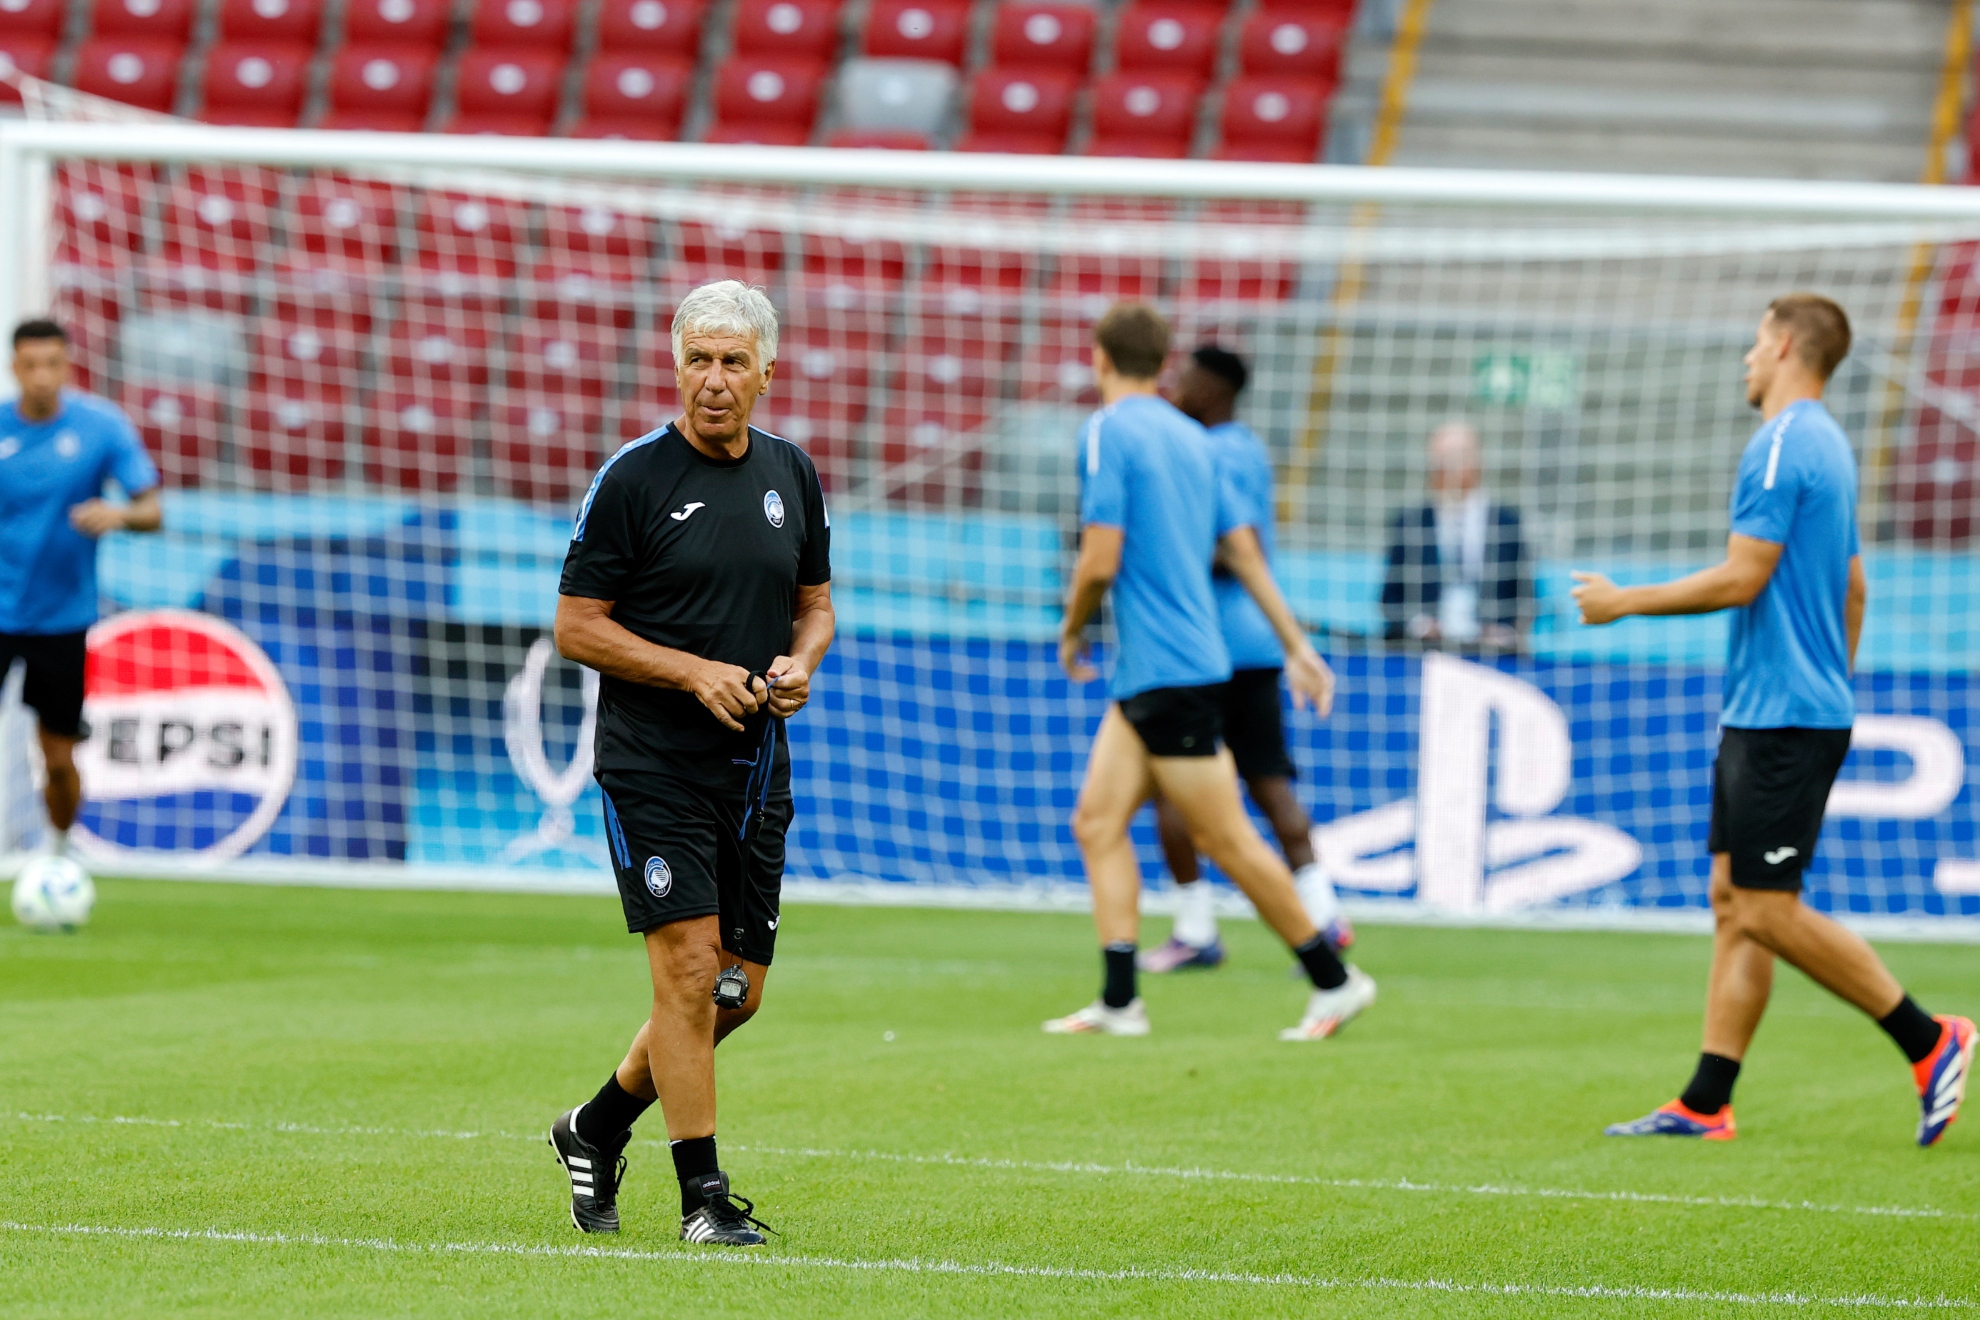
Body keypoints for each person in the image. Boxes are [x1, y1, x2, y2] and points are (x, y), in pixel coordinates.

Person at [1574, 294, 1973, 1147]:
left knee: (1762, 906)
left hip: (1784, 717)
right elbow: (1854, 584)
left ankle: (1930, 1039)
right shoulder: (1829, 445)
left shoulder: (1784, 442)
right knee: (1734, 901)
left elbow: (1742, 577)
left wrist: (1623, 602)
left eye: (1757, 342)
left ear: (1787, 344)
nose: (1747, 358)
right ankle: (1706, 1100)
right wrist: (1831, 679)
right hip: (1778, 710)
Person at [548, 281, 834, 1244]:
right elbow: (576, 628)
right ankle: (704, 1200)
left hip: (754, 769)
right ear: (676, 366)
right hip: (650, 764)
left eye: (733, 362)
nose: (715, 381)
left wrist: (802, 661)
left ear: (767, 370)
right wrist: (692, 673)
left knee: (735, 995)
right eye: (698, 360)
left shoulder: (792, 474)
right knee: (686, 974)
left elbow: (816, 604)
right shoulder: (631, 480)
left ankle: (594, 1125)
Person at [1047, 302, 1377, 1041]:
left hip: (1169, 671)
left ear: (1100, 357)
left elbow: (1099, 558)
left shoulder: (1107, 431)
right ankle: (1120, 1000)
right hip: (1161, 672)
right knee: (1097, 821)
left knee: (1228, 839)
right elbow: (1247, 551)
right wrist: (1296, 643)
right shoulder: (1197, 439)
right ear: (1165, 363)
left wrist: (1071, 631)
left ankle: (1336, 980)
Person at [1138, 345, 1351, 974]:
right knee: (1268, 784)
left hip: (1208, 648)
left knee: (1170, 788)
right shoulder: (1248, 448)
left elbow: (1236, 546)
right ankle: (1325, 919)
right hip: (1252, 644)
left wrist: (1156, 561)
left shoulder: (1213, 450)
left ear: (1216, 388)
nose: (1177, 387)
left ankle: (1196, 929)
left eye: (1189, 379)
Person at [1, 319, 162, 861]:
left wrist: (118, 514)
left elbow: (151, 509)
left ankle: (58, 851)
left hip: (63, 618)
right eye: (31, 365)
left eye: (53, 364)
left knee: (59, 759)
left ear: (67, 367)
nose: (42, 376)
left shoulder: (101, 427)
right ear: (14, 368)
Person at [1380, 421, 1533, 649]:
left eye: (1458, 456)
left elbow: (1525, 595)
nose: (1449, 467)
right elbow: (1390, 598)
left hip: (1492, 651)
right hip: (1425, 650)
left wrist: (1504, 631)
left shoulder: (1506, 521)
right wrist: (1419, 625)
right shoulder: (1411, 522)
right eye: (1442, 459)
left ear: (1477, 461)